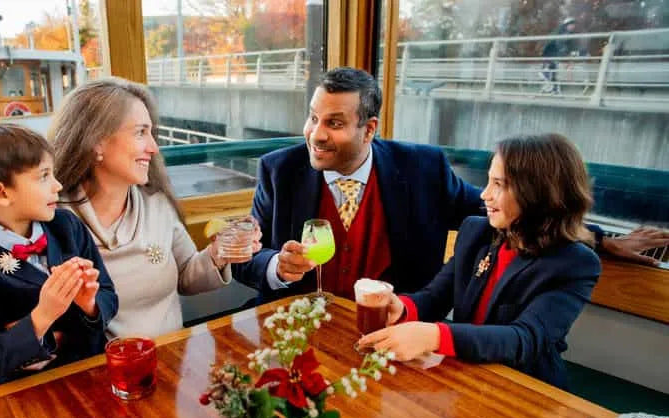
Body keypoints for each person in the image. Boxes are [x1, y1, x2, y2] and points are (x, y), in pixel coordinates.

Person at [232, 67, 669, 302]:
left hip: (394, 330)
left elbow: (508, 209)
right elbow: (247, 259)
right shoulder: (278, 170)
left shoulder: (423, 168)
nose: (315, 133)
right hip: (296, 323)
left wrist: (599, 239)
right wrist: (277, 267)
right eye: (313, 117)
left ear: (369, 129)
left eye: (334, 123)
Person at [358, 134, 601, 388]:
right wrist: (403, 308)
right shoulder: (476, 231)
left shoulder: (576, 263)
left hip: (525, 387)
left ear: (537, 193)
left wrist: (435, 336)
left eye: (498, 184)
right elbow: (436, 297)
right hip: (467, 374)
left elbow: (524, 339)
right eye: (488, 181)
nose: (485, 194)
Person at [48, 77, 260, 338]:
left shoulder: (156, 203)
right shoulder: (53, 218)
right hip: (100, 362)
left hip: (171, 354)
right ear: (96, 141)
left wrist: (219, 255)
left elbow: (186, 275)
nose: (154, 147)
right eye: (140, 132)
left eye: (151, 133)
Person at [0, 124, 118, 383]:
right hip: (29, 389)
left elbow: (109, 296)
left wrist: (89, 305)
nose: (58, 185)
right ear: (0, 193)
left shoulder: (67, 226)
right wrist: (43, 316)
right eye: (43, 176)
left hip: (93, 369)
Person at [541, 17, 580, 95]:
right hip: (551, 53)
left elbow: (570, 45)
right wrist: (567, 53)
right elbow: (560, 44)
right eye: (571, 25)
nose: (573, 26)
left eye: (574, 25)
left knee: (553, 71)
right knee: (550, 70)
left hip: (554, 54)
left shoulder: (568, 33)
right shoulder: (562, 32)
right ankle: (551, 86)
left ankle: (553, 88)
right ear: (566, 25)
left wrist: (572, 52)